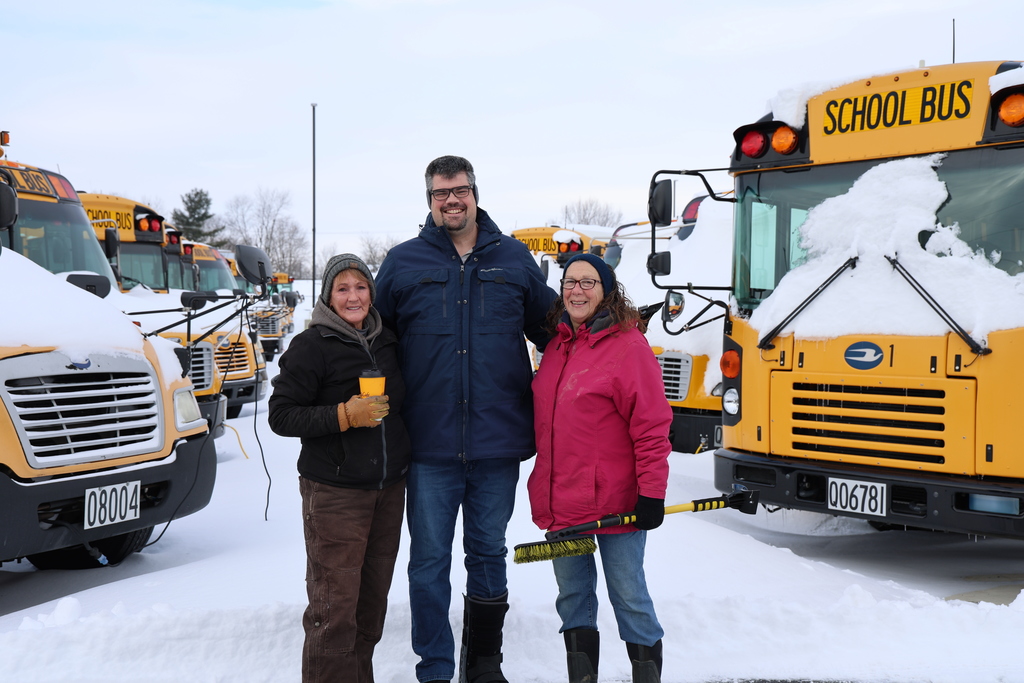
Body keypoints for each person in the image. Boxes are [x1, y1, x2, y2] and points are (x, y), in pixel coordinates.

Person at [374, 155, 556, 683]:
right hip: (428, 447)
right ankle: (433, 668)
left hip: (497, 444)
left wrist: (615, 333)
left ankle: (483, 665)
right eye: (440, 193)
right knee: (428, 564)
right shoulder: (402, 262)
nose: (451, 200)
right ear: (429, 201)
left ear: (475, 192)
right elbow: (371, 337)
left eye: (459, 190)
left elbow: (557, 333)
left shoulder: (515, 259)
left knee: (487, 553)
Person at [528, 252, 672, 683]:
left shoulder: (629, 347)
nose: (577, 290)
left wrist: (652, 494)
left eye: (588, 282)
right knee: (573, 598)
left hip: (618, 504)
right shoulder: (555, 346)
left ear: (606, 291)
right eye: (570, 282)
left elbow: (652, 426)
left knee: (628, 596)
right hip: (563, 501)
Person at [268, 253, 412, 683]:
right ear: (329, 297)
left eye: (361, 287)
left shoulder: (388, 342)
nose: (354, 296)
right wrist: (344, 416)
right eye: (343, 288)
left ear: (372, 292)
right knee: (334, 612)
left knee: (369, 609)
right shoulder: (312, 346)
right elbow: (281, 415)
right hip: (335, 495)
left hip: (387, 491)